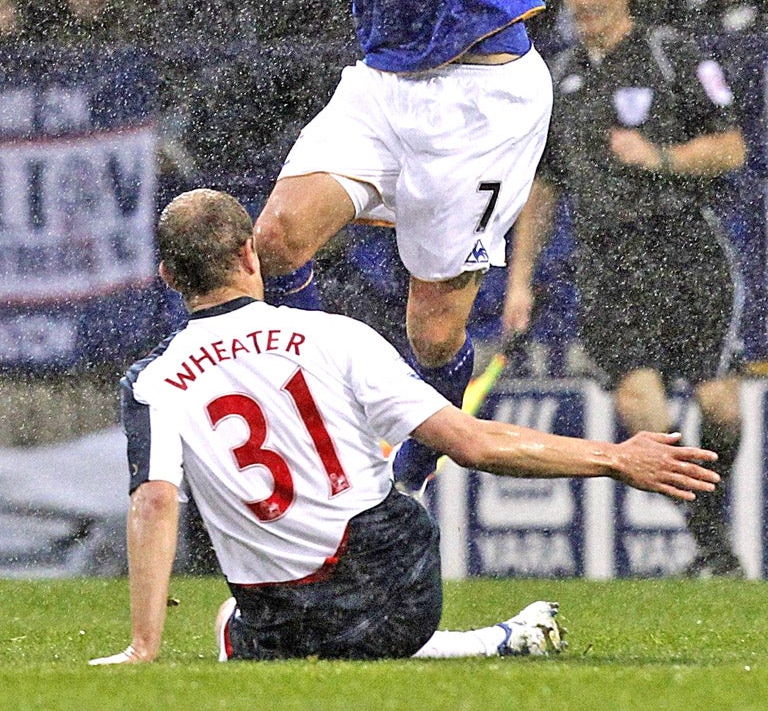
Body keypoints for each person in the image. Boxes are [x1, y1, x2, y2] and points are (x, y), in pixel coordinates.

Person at [90, 188, 720, 664]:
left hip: (279, 617)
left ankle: (410, 495)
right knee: (397, 461)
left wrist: (143, 646)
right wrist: (613, 457)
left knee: (233, 619)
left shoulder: (153, 381)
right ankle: (485, 614)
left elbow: (154, 500)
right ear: (249, 253)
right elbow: (474, 444)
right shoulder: (337, 336)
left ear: (168, 277)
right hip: (400, 594)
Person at [204, 0, 553, 494]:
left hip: (482, 97)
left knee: (432, 330)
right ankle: (325, 414)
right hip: (385, 82)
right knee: (278, 239)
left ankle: (412, 475)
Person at [504, 0, 746, 578]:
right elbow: (543, 186)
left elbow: (732, 147)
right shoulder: (557, 78)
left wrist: (661, 158)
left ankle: (711, 543)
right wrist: (520, 280)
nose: (584, 1)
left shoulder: (672, 55)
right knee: (646, 412)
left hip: (687, 249)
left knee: (722, 406)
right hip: (608, 264)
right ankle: (718, 552)